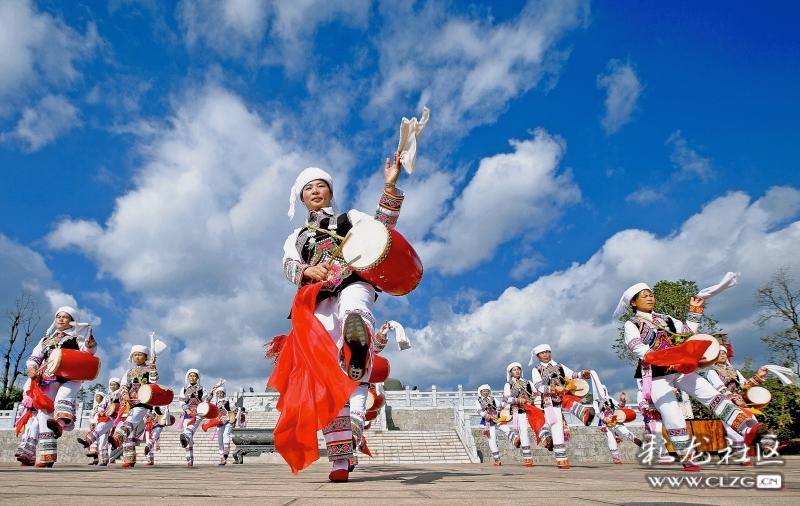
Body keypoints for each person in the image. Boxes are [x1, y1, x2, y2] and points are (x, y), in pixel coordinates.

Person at [272, 153, 406, 482]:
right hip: (317, 297)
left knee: (355, 310)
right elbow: (288, 264)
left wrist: (390, 186)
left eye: (321, 186)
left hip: (353, 280)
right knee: (327, 376)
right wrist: (307, 270)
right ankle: (340, 460)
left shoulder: (351, 218)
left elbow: (381, 231)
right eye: (308, 188)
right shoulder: (296, 236)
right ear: (301, 198)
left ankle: (356, 344)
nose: (315, 191)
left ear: (330, 192)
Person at [617, 283, 765, 471]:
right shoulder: (632, 324)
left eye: (651, 294)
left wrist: (694, 310)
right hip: (656, 374)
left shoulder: (666, 318)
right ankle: (687, 457)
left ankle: (747, 428)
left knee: (712, 395)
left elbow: (687, 333)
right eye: (644, 296)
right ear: (633, 302)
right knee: (672, 414)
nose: (650, 298)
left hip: (680, 368)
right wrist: (662, 357)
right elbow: (637, 347)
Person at [23, 306, 97, 467]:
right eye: (58, 316)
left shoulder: (77, 338)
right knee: (45, 414)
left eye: (65, 317)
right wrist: (32, 368)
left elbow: (88, 353)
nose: (61, 319)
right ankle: (47, 457)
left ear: (72, 321)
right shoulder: (45, 340)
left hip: (71, 377)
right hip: (48, 378)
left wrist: (90, 345)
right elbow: (35, 357)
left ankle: (60, 425)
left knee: (63, 399)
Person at [530, 344, 592, 469]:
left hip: (561, 397)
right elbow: (538, 386)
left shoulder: (559, 366)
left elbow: (572, 375)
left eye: (548, 352)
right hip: (548, 401)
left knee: (561, 417)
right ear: (538, 356)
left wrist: (582, 374)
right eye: (542, 353)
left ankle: (585, 415)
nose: (546, 354)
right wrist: (553, 389)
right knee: (554, 425)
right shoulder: (536, 369)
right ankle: (557, 452)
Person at [113, 344, 158, 468]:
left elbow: (154, 382)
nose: (137, 357)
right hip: (130, 403)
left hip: (144, 401)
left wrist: (153, 369)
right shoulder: (129, 372)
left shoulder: (150, 368)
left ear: (145, 356)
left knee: (130, 422)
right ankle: (129, 459)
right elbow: (124, 385)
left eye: (140, 355)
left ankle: (117, 438)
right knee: (131, 431)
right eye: (135, 355)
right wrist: (125, 394)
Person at [500, 362, 535, 467]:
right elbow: (507, 398)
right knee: (522, 431)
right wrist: (518, 400)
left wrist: (533, 399)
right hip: (517, 410)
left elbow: (536, 393)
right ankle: (527, 457)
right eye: (514, 370)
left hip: (530, 409)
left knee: (531, 429)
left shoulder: (528, 382)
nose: (517, 371)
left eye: (518, 369)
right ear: (510, 372)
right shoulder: (508, 384)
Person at [179, 368, 204, 467]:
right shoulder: (184, 389)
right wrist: (187, 410)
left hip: (198, 414)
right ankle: (189, 460)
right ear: (188, 377)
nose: (192, 378)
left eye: (194, 376)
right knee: (188, 437)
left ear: (197, 378)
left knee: (188, 431)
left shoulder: (202, 389)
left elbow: (206, 401)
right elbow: (181, 401)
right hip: (187, 414)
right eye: (191, 376)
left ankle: (185, 437)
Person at [475, 384, 504, 466]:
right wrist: (487, 415)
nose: (485, 392)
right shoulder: (478, 401)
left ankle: (515, 439)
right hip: (488, 421)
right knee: (492, 439)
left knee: (505, 428)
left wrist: (501, 407)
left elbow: (499, 406)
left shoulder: (493, 399)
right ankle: (497, 458)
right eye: (484, 391)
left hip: (497, 419)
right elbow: (479, 411)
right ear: (480, 392)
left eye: (487, 391)